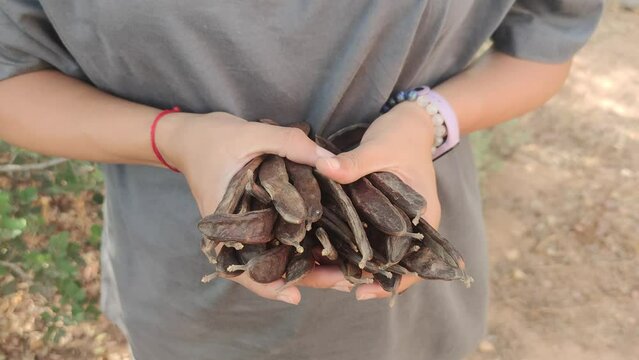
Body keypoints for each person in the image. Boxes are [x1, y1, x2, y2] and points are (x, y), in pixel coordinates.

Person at [0, 1, 602, 359]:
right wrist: (176, 140)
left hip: (406, 303)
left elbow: (543, 41)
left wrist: (426, 120)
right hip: (181, 300)